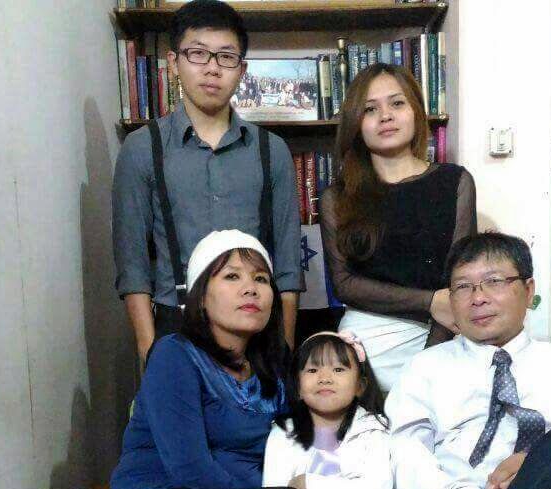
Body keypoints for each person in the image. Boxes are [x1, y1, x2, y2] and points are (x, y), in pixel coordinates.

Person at [112, 0, 302, 364]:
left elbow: (289, 265)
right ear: (173, 62)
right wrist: (150, 351)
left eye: (226, 57)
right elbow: (132, 265)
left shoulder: (272, 151)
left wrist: (284, 350)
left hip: (256, 329)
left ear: (242, 69)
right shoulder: (142, 148)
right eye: (198, 53)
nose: (212, 68)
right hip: (176, 325)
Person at [386, 231, 551, 489]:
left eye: (494, 281)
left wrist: (545, 463)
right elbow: (406, 454)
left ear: (528, 290)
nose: (478, 298)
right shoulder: (424, 369)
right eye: (463, 287)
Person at [319, 63, 477, 391]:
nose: (385, 116)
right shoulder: (337, 197)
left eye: (397, 103)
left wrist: (428, 365)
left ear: (416, 111)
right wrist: (429, 301)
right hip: (363, 349)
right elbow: (344, 284)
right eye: (370, 109)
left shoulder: (455, 182)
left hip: (442, 340)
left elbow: (459, 280)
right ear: (355, 123)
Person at [110, 230, 290, 489]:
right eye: (232, 276)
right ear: (201, 297)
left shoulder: (273, 366)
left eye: (261, 278)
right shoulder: (174, 356)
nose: (251, 289)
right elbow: (191, 472)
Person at [262, 331, 392, 489]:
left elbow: (378, 484)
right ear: (298, 387)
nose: (325, 378)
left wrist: (308, 483)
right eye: (312, 370)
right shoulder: (283, 433)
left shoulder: (374, 430)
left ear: (360, 386)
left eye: (338, 369)